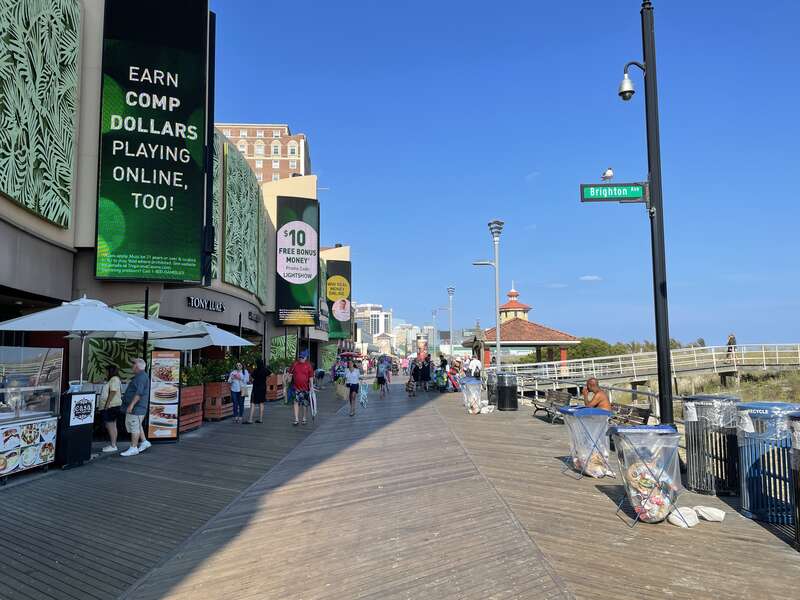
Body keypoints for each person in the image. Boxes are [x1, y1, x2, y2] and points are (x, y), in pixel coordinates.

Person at [120, 358, 151, 457]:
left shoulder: (141, 377)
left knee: (134, 427)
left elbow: (139, 393)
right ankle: (144, 442)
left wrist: (131, 405)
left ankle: (133, 447)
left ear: (137, 366)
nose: (132, 366)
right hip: (138, 407)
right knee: (137, 425)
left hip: (137, 408)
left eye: (133, 364)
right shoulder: (141, 376)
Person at [98, 365, 122, 453]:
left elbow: (113, 391)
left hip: (111, 406)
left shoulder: (114, 379)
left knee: (110, 425)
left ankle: (113, 445)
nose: (105, 372)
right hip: (113, 406)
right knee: (113, 425)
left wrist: (107, 404)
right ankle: (113, 444)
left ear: (110, 371)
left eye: (106, 371)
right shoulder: (113, 379)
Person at [289, 350, 315, 425]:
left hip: (305, 388)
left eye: (302, 357)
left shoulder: (308, 365)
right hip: (296, 388)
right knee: (296, 402)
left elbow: (311, 377)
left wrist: (312, 387)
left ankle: (304, 418)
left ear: (306, 357)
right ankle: (296, 419)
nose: (301, 358)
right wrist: (288, 377)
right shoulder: (295, 364)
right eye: (300, 357)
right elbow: (290, 374)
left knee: (305, 404)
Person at [246, 358, 271, 424]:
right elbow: (271, 375)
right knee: (261, 403)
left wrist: (253, 380)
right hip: (263, 388)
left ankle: (250, 420)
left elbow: (251, 379)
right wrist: (265, 380)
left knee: (253, 403)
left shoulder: (255, 370)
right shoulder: (265, 370)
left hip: (256, 388)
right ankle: (260, 419)